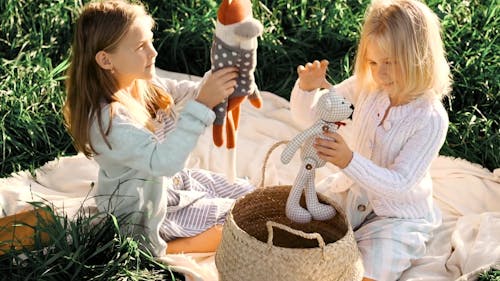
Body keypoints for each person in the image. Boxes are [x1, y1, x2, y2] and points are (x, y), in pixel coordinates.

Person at [63, 0, 254, 256]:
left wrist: (221, 77)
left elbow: (187, 94)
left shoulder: (141, 84)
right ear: (106, 60)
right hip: (149, 212)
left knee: (251, 196)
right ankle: (166, 250)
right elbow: (163, 162)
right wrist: (202, 105)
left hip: (174, 186)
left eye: (150, 41)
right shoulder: (108, 122)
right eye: (141, 46)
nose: (153, 52)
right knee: (240, 223)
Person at [289, 0, 451, 280]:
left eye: (390, 62)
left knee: (367, 271)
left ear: (420, 57)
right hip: (351, 194)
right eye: (373, 62)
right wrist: (306, 89)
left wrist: (348, 160)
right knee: (294, 233)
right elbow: (311, 117)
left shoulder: (430, 118)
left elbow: (400, 183)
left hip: (397, 216)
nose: (380, 73)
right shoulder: (366, 85)